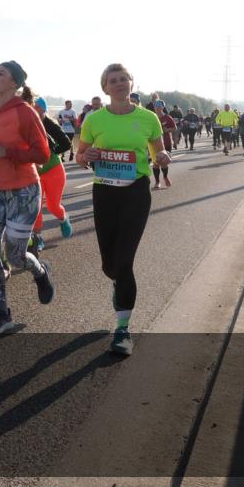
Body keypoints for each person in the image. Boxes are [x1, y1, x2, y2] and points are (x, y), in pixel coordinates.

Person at [76, 63, 167, 357]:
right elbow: (80, 155)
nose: (119, 83)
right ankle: (118, 282)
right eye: (112, 80)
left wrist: (163, 156)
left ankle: (123, 329)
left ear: (131, 83)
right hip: (104, 192)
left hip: (136, 193)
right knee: (110, 266)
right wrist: (85, 156)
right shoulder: (94, 120)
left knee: (125, 261)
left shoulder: (148, 117)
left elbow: (158, 152)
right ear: (105, 87)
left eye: (123, 79)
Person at [0, 61, 55, 335]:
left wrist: (8, 152)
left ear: (14, 83)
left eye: (1, 74)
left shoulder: (26, 113)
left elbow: (42, 155)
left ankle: (40, 271)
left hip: (24, 191)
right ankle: (3, 313)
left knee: (16, 255)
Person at [29, 94, 73, 251]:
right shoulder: (25, 125)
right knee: (36, 207)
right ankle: (37, 238)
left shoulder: (50, 125)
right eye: (32, 108)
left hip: (54, 170)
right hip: (35, 174)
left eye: (36, 108)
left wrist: (50, 154)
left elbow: (66, 144)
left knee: (54, 206)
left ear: (43, 110)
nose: (33, 111)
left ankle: (63, 218)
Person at [151, 101, 176, 189]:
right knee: (155, 163)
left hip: (166, 142)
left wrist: (167, 130)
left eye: (159, 106)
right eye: (156, 106)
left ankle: (165, 177)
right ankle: (157, 182)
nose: (157, 108)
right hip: (154, 143)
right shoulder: (152, 117)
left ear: (162, 107)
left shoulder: (167, 117)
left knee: (164, 163)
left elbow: (174, 128)